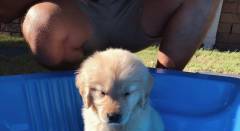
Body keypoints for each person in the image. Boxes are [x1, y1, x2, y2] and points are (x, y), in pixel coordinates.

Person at [0, 0, 220, 70]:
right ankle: (77, 89)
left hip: (139, 12)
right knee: (42, 23)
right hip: (79, 13)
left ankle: (163, 86)